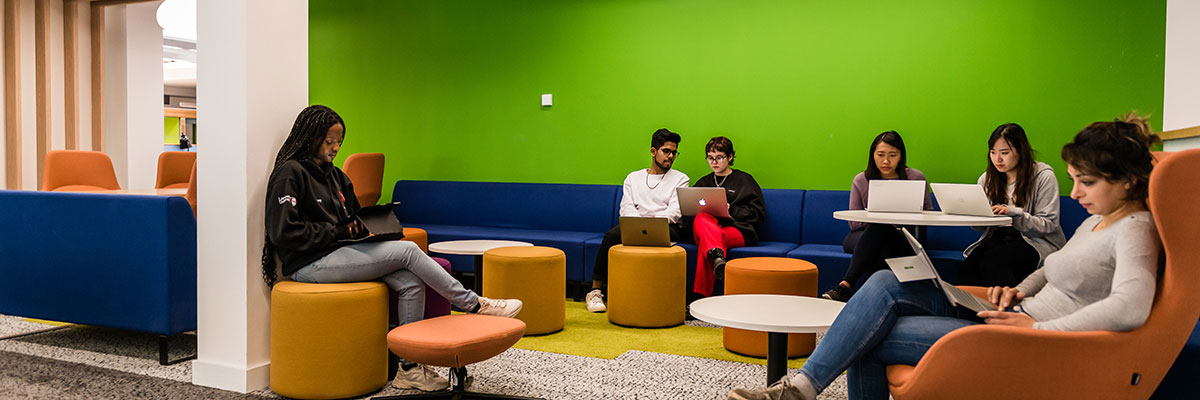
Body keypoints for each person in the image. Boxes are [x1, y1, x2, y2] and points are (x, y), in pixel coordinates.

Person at [728, 114, 1161, 400]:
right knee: (882, 283)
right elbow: (1050, 267)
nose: (1076, 193)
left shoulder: (1136, 228)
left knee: (870, 334)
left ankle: (799, 389)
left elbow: (1130, 305)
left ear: (1127, 180)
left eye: (1085, 182)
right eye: (1074, 181)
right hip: (1009, 311)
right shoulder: (1097, 220)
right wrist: (1018, 291)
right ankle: (801, 388)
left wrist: (1040, 325)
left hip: (1028, 337)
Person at [261, 105, 524, 392]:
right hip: (309, 263)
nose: (336, 147)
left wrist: (369, 227)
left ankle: (409, 369)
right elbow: (283, 232)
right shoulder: (290, 173)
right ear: (310, 137)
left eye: (340, 141)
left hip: (341, 252)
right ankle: (474, 304)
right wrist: (339, 231)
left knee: (410, 281)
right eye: (329, 141)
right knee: (408, 252)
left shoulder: (336, 176)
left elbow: (352, 217)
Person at [586, 128, 690, 313]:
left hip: (667, 227)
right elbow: (626, 208)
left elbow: (675, 211)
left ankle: (663, 295)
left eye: (674, 152)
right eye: (666, 151)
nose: (671, 156)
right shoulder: (633, 178)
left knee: (671, 233)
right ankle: (595, 291)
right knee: (611, 236)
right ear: (653, 151)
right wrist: (641, 224)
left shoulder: (681, 179)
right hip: (635, 224)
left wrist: (652, 222)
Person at [822, 131, 933, 302]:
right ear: (873, 155)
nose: (886, 161)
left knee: (882, 242)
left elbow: (928, 216)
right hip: (864, 236)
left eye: (892, 155)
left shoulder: (916, 178)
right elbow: (854, 223)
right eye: (880, 155)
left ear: (901, 156)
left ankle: (846, 286)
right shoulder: (861, 180)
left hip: (904, 238)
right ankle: (874, 299)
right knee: (879, 230)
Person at [958, 123, 1065, 287]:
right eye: (993, 152)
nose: (997, 159)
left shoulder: (1043, 176)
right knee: (967, 268)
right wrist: (973, 213)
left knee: (993, 262)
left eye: (1004, 153)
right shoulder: (987, 179)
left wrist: (1013, 213)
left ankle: (1011, 309)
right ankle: (974, 311)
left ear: (1021, 151)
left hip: (1035, 241)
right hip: (998, 239)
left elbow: (1049, 224)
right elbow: (979, 228)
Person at [686, 136, 766, 298]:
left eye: (719, 157)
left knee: (706, 243)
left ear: (730, 157)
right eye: (710, 158)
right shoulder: (704, 182)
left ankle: (700, 296)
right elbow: (691, 212)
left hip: (738, 231)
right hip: (708, 228)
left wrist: (731, 210)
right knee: (702, 218)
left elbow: (758, 213)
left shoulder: (745, 180)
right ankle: (716, 256)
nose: (714, 162)